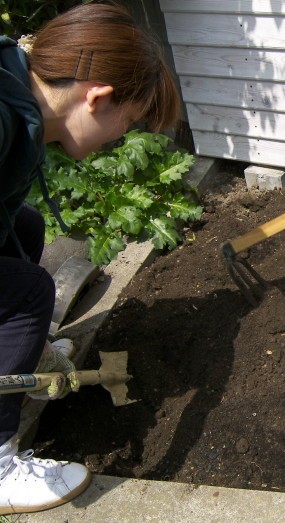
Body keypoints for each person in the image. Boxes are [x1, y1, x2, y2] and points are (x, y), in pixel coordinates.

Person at [0, 2, 180, 514]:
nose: (120, 140)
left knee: (25, 226)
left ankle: (16, 349)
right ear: (98, 99)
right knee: (24, 295)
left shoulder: (16, 89)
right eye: (128, 123)